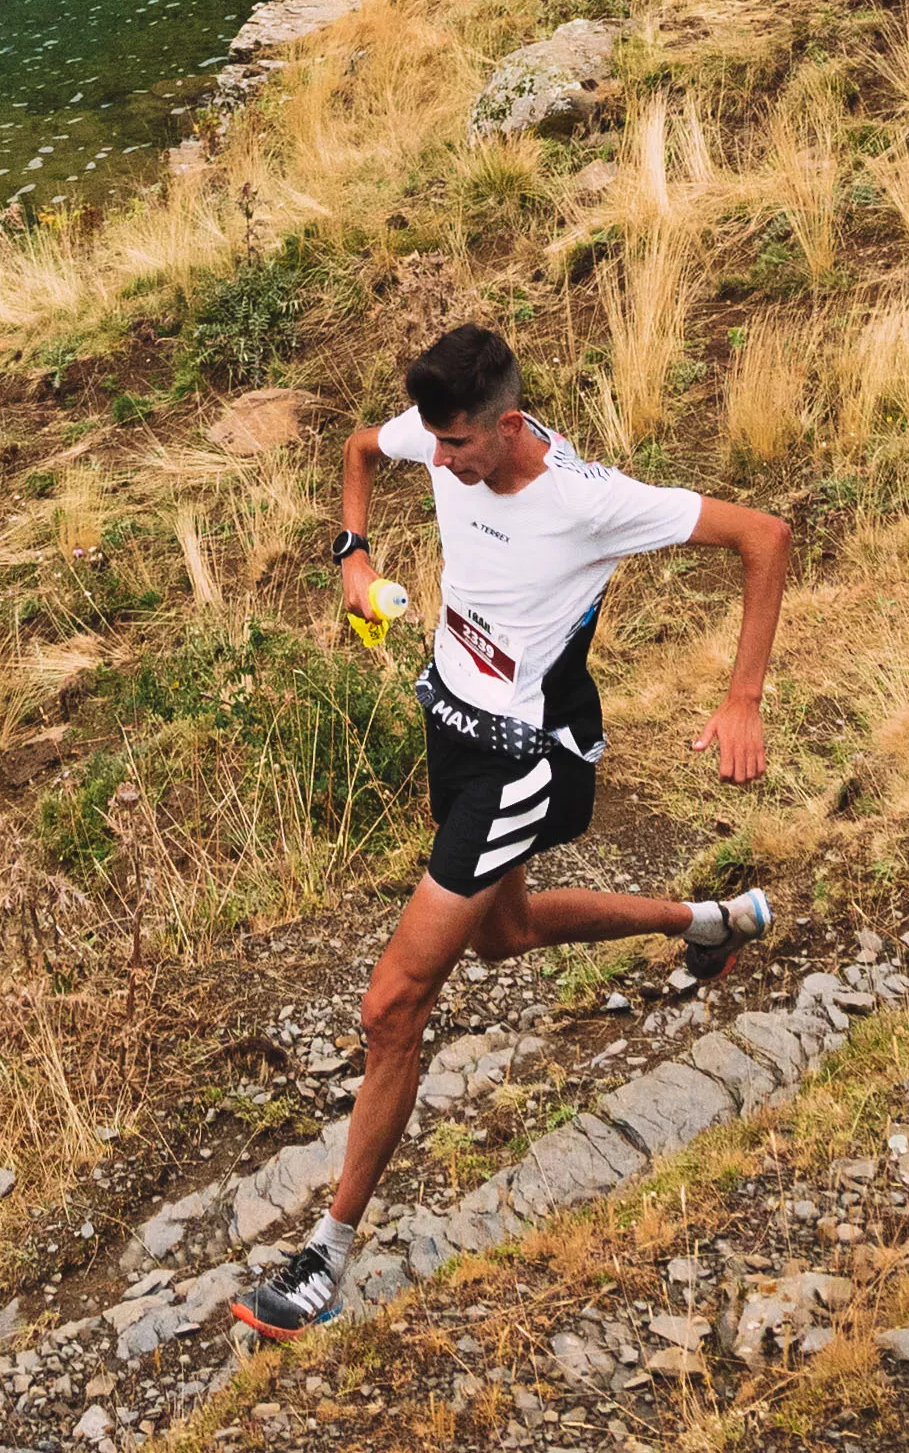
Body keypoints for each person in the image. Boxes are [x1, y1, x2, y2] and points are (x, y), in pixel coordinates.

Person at [232, 317, 794, 1340]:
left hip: (530, 763)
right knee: (505, 932)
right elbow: (360, 450)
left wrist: (743, 696)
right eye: (436, 443)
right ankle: (705, 920)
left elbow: (766, 535)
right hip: (450, 728)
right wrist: (352, 557)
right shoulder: (441, 442)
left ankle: (326, 1258)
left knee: (392, 1003)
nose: (440, 460)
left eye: (458, 446)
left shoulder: (589, 501)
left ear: (510, 421)